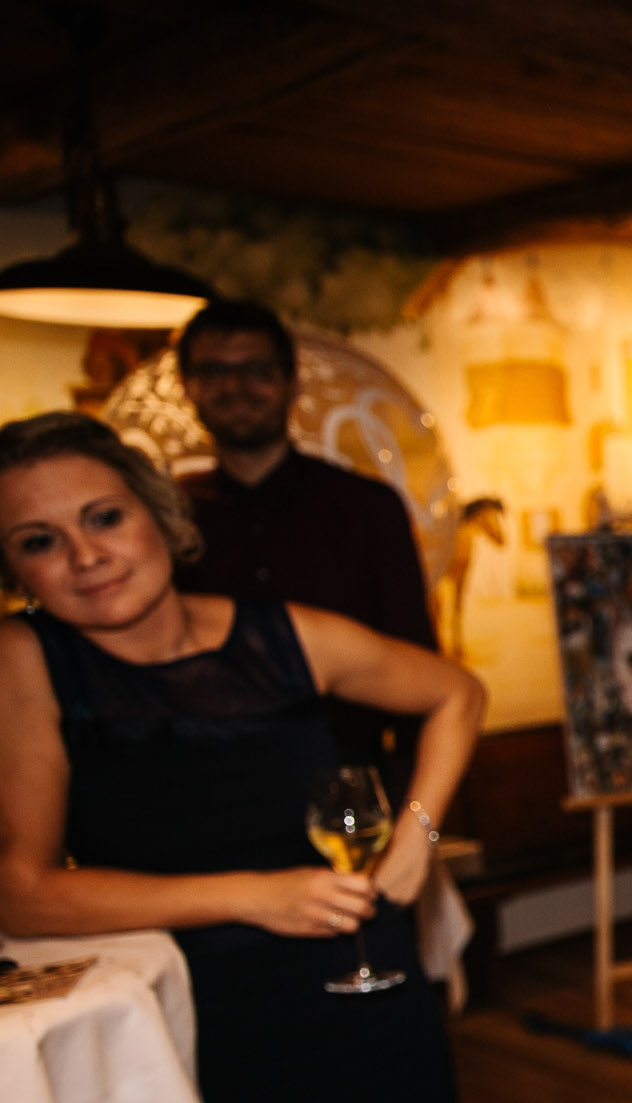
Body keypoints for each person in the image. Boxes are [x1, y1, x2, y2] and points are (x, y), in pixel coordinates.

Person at [0, 411, 485, 1103]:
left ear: (158, 516)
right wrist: (250, 894)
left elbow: (455, 694)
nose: (85, 556)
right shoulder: (30, 660)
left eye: (103, 517)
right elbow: (20, 894)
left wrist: (418, 839)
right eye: (39, 542)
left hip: (358, 980)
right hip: (199, 1013)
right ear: (16, 571)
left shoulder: (285, 636)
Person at [174, 297, 438, 790]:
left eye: (256, 370)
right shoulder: (168, 519)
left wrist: (415, 815)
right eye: (214, 371)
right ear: (187, 387)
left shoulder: (365, 507)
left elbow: (418, 661)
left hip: (348, 781)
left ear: (292, 383)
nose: (235, 387)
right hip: (210, 784)